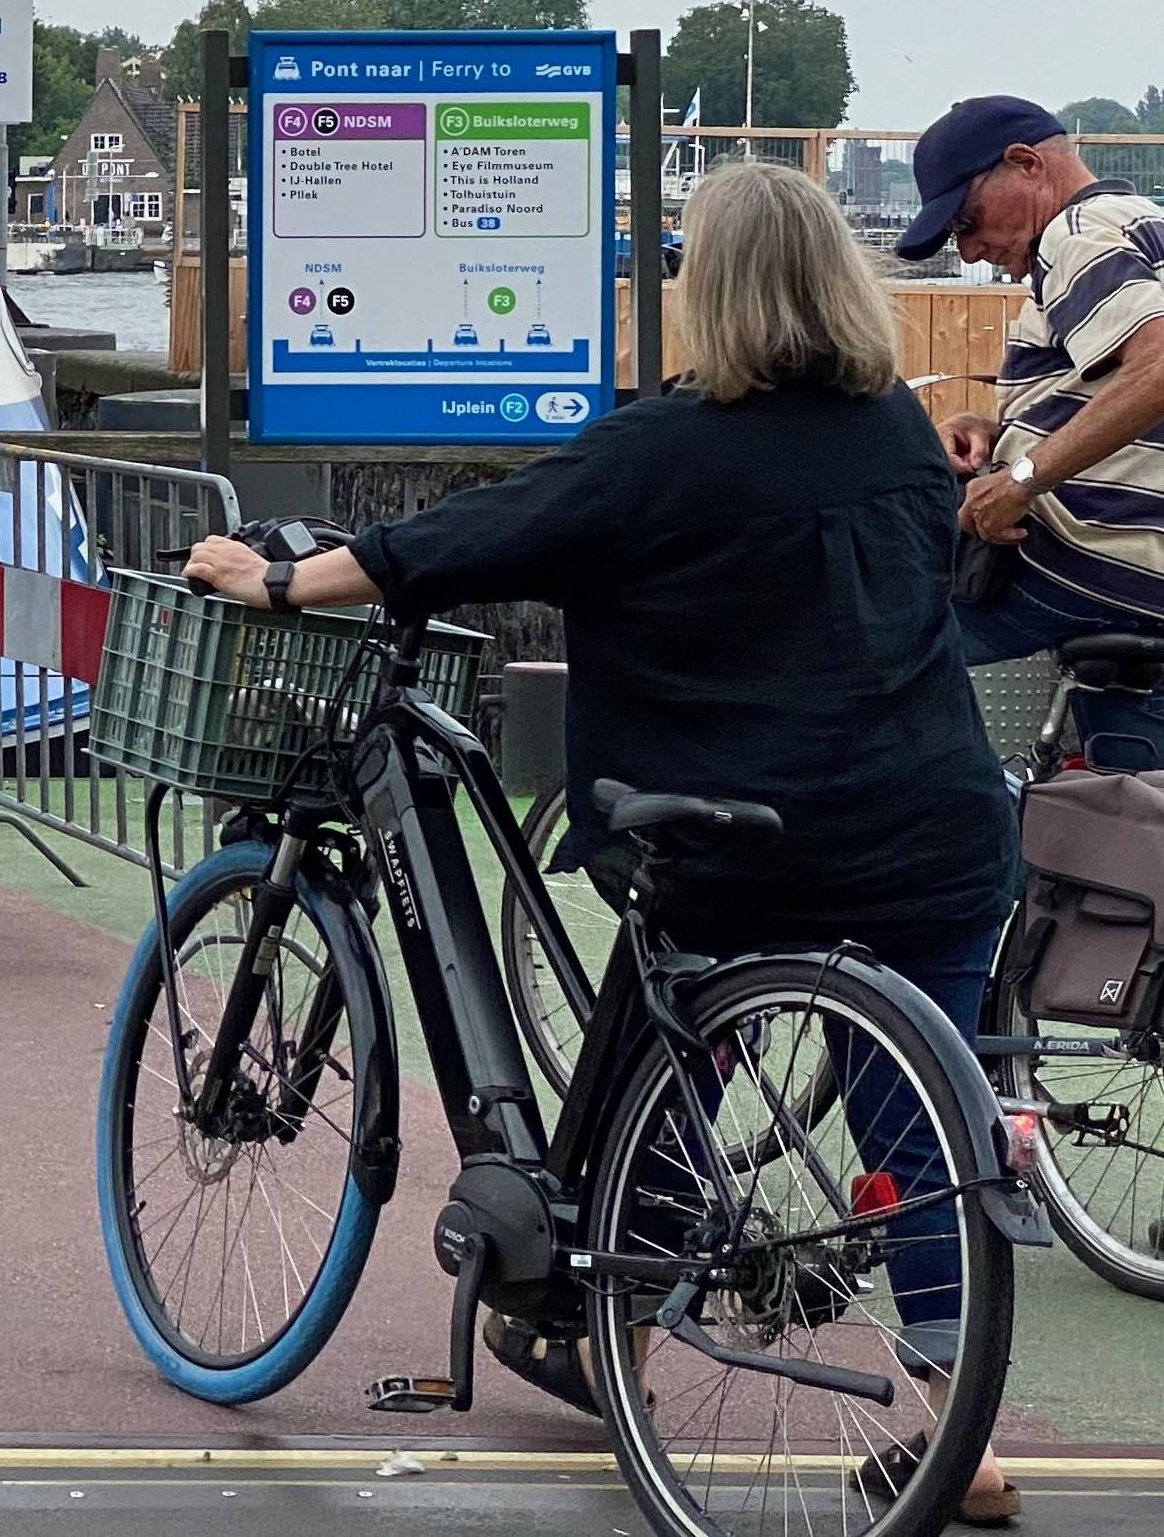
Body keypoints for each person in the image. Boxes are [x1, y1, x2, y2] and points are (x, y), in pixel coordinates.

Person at [182, 163, 1021, 1518]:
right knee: (920, 1137)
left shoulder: (661, 447)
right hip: (935, 826)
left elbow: (459, 541)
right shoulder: (895, 436)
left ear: (720, 294)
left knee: (666, 1076)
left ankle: (615, 1342)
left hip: (743, 832)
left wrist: (275, 576)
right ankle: (962, 1443)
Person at [903, 94, 1164, 767]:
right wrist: (1003, 427)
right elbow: (1120, 390)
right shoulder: (1137, 223)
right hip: (1142, 577)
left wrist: (1023, 476)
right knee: (1124, 819)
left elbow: (1160, 363)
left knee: (871, 640)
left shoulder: (1075, 235)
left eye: (968, 220)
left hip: (1096, 570)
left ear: (1026, 165)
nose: (969, 250)